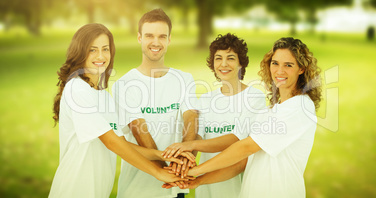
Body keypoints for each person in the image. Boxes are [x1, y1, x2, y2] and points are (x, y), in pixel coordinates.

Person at [49, 23, 192, 198]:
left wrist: (160, 154)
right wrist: (158, 173)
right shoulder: (77, 89)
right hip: (73, 190)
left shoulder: (103, 95)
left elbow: (122, 142)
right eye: (92, 50)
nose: (100, 56)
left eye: (105, 49)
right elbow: (112, 142)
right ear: (79, 52)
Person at [185, 37, 322, 197]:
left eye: (288, 65)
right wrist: (199, 180)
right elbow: (242, 162)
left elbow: (246, 146)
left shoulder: (299, 106)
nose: (279, 71)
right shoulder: (271, 110)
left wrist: (196, 170)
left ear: (301, 69)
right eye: (275, 63)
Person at [161, 33, 267, 197]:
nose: (223, 64)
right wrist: (183, 166)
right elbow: (198, 137)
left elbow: (235, 139)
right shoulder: (206, 99)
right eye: (218, 58)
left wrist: (189, 146)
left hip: (238, 188)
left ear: (241, 63)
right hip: (207, 187)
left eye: (230, 58)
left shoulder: (254, 98)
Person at [112, 9, 199, 198]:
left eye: (162, 36)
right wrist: (171, 173)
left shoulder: (184, 78)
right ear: (139, 38)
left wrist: (183, 162)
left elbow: (191, 117)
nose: (156, 42)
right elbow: (139, 131)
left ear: (169, 39)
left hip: (175, 190)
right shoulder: (124, 85)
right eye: (149, 35)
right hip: (137, 190)